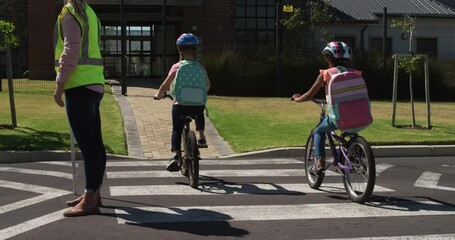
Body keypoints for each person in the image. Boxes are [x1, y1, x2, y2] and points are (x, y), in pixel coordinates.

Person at [53, 0, 106, 217]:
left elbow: (71, 49)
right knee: (95, 144)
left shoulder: (69, 12)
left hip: (78, 86)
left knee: (88, 146)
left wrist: (59, 85)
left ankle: (90, 198)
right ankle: (93, 193)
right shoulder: (89, 11)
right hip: (95, 84)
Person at [292, 41, 359, 175]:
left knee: (318, 131)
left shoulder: (326, 74)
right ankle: (356, 156)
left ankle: (319, 162)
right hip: (359, 115)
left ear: (329, 58)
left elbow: (309, 95)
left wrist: (297, 99)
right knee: (351, 132)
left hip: (338, 116)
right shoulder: (355, 74)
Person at [154, 33, 211, 171]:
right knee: (199, 111)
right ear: (194, 50)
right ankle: (201, 136)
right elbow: (208, 85)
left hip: (180, 105)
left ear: (180, 50)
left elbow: (165, 85)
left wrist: (159, 95)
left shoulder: (177, 67)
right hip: (197, 105)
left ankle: (176, 155)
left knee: (176, 129)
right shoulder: (200, 67)